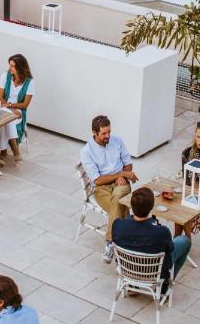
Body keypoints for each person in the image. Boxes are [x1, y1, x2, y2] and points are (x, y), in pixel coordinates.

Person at [80, 115, 138, 264]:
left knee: (118, 197)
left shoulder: (117, 141)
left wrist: (123, 177)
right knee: (119, 204)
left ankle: (110, 242)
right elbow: (98, 180)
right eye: (104, 133)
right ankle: (127, 243)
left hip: (121, 183)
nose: (108, 136)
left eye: (109, 132)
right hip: (102, 188)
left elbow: (127, 162)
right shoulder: (86, 151)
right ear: (94, 133)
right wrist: (122, 174)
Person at [112, 186, 191, 288]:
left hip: (127, 270)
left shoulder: (118, 225)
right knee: (185, 241)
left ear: (131, 205)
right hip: (153, 273)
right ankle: (165, 285)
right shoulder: (161, 232)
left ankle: (132, 285)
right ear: (151, 207)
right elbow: (170, 249)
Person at [0, 54, 34, 167]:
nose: (9, 68)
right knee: (8, 119)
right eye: (10, 65)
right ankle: (15, 151)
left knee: (6, 120)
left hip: (18, 111)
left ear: (20, 68)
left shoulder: (30, 82)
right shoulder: (5, 76)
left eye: (12, 66)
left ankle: (3, 152)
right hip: (4, 108)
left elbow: (25, 104)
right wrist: (9, 108)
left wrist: (11, 106)